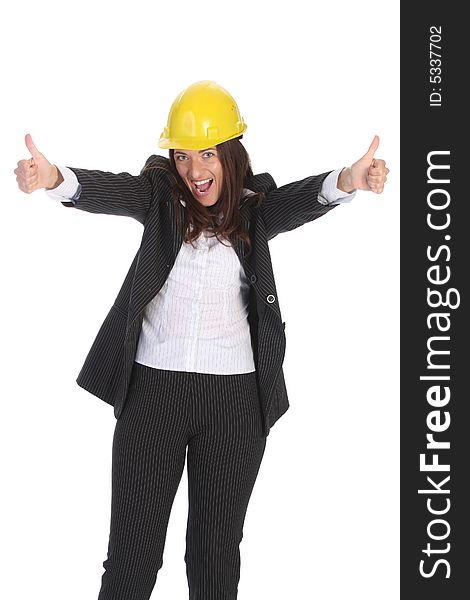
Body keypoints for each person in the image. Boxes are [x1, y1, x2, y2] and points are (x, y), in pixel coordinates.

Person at [14, 80, 389, 600]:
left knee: (215, 560)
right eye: (184, 155)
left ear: (230, 155)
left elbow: (304, 200)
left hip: (234, 403)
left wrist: (350, 180)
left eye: (207, 154)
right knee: (132, 559)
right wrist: (53, 179)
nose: (195, 170)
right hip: (153, 395)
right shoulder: (159, 199)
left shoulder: (256, 210)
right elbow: (107, 189)